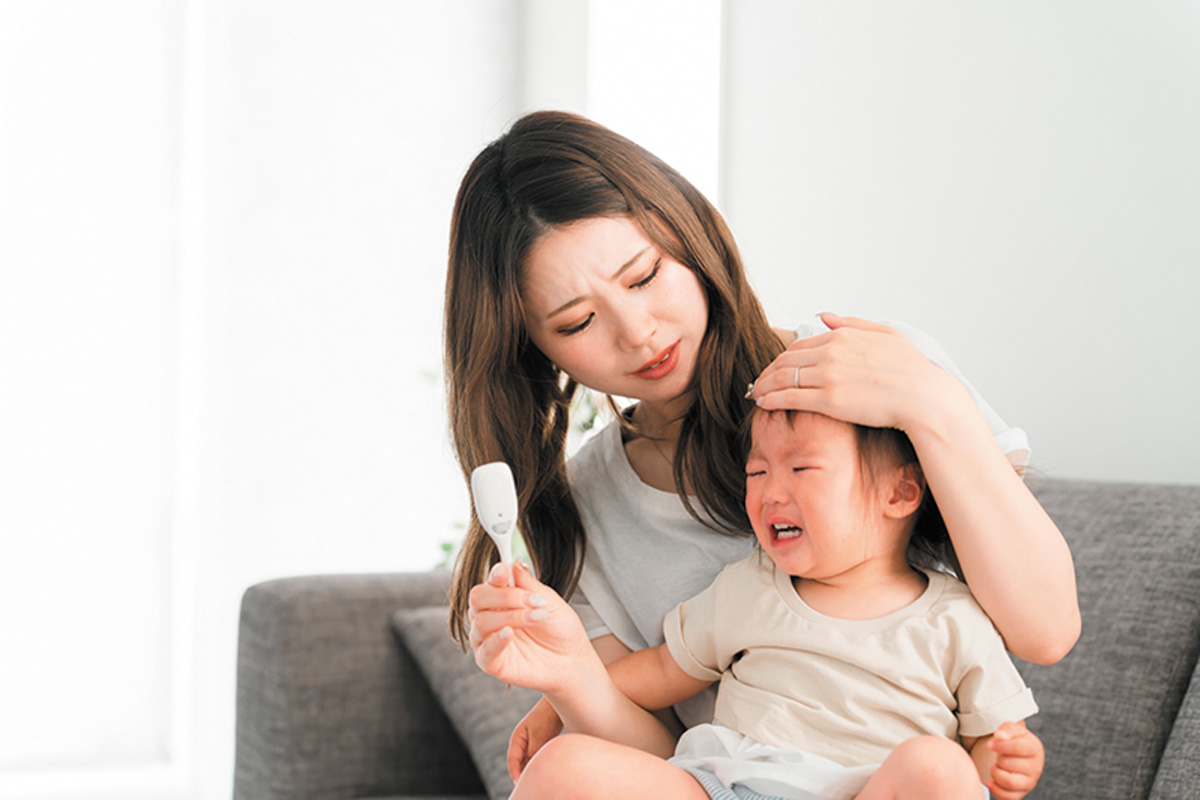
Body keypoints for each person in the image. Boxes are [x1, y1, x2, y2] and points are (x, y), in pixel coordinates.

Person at [445, 110, 1077, 794]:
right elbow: (666, 760)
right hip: (737, 783)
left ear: (687, 232)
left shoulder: (871, 369)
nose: (637, 332)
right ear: (533, 349)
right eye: (578, 322)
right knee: (564, 768)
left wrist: (930, 403)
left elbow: (1045, 631)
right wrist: (574, 680)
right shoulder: (581, 507)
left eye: (644, 276)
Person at [470, 407, 1044, 799]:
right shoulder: (750, 587)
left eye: (801, 468)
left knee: (938, 767)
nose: (770, 491)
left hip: (870, 789)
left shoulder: (955, 618)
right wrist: (560, 694)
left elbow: (989, 744)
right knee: (564, 765)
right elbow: (664, 669)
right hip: (731, 785)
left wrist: (1006, 762)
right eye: (757, 471)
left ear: (900, 491)